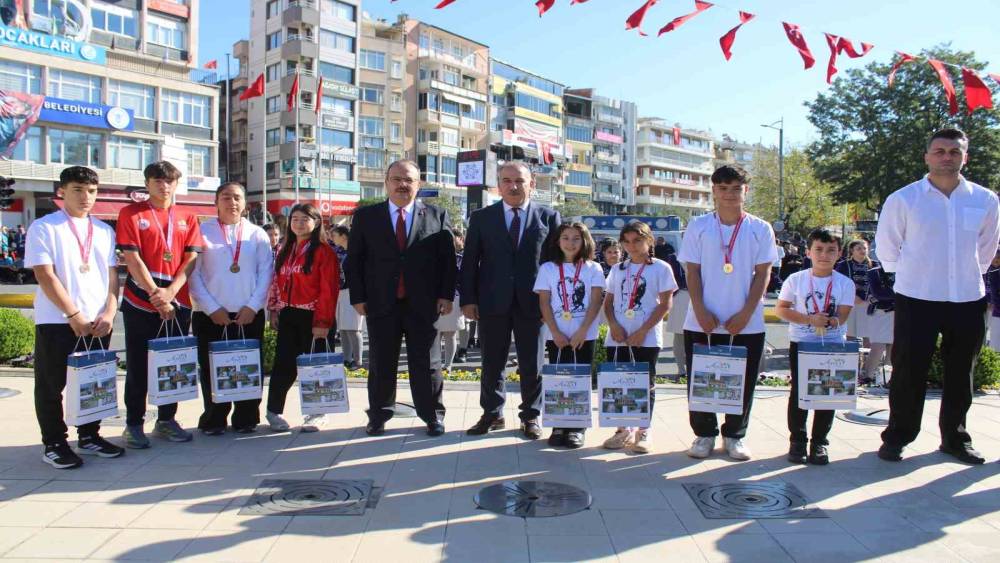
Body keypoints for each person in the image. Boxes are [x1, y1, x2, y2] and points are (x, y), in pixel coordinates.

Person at [874, 128, 999, 465]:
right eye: (940, 151)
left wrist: (969, 274)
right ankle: (897, 436)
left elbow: (986, 251)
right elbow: (887, 249)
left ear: (965, 157)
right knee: (908, 370)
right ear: (927, 156)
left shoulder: (985, 199)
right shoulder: (904, 199)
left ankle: (955, 438)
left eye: (954, 151)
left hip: (967, 298)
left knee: (962, 372)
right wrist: (915, 275)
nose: (947, 157)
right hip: (917, 296)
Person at [346, 160, 456, 436]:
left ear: (418, 184)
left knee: (428, 363)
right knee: (381, 361)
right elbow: (354, 261)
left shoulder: (437, 215)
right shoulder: (366, 216)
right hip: (380, 302)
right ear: (386, 182)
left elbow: (447, 261)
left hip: (424, 302)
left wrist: (445, 294)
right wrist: (357, 296)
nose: (402, 185)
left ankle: (432, 415)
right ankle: (379, 415)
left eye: (409, 180)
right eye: (396, 179)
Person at [26, 166, 123, 468]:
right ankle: (54, 442)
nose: (86, 197)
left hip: (97, 323)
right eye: (78, 190)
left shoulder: (104, 231)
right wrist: (73, 314)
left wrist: (109, 311)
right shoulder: (45, 227)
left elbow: (112, 277)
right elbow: (45, 275)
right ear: (62, 191)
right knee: (51, 385)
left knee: (93, 382)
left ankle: (90, 435)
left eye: (92, 191)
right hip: (58, 320)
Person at [679, 164, 777, 461]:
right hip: (703, 319)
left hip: (746, 321)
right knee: (702, 377)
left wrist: (747, 313)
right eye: (723, 188)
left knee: (744, 380)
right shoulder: (698, 226)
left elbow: (763, 274)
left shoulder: (760, 228)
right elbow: (691, 271)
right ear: (713, 191)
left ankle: (734, 435)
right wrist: (700, 309)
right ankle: (703, 434)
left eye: (736, 188)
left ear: (746, 190)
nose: (730, 194)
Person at [462, 162, 561, 439]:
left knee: (533, 362)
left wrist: (553, 303)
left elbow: (556, 264)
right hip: (492, 301)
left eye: (519, 181)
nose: (513, 186)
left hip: (535, 303)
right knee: (492, 361)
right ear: (498, 185)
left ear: (532, 184)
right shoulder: (482, 218)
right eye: (506, 180)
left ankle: (531, 415)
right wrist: (468, 299)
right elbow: (470, 261)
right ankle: (492, 413)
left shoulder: (549, 217)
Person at [116, 161, 203, 448]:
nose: (164, 186)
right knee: (139, 365)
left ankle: (166, 420)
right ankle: (133, 424)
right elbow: (132, 257)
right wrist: (156, 294)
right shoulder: (130, 213)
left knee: (172, 364)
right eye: (157, 181)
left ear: (176, 184)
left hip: (177, 301)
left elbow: (191, 258)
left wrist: (172, 291)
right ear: (147, 183)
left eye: (169, 181)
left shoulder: (188, 216)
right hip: (140, 301)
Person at [189, 182, 273, 435]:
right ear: (216, 202)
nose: (232, 202)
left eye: (237, 197)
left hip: (248, 315)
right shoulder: (201, 231)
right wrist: (212, 308)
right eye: (226, 197)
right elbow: (192, 274)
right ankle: (214, 419)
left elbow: (266, 272)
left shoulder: (257, 234)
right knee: (211, 368)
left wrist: (253, 306)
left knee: (249, 367)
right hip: (211, 316)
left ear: (245, 203)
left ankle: (246, 418)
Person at [775, 229, 854, 465]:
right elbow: (781, 309)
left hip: (831, 345)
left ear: (839, 254)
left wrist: (830, 321)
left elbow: (844, 314)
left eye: (831, 250)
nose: (824, 255)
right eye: (818, 249)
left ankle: (819, 442)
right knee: (800, 393)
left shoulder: (845, 283)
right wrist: (809, 320)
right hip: (803, 343)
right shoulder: (796, 279)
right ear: (808, 252)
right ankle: (797, 440)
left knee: (826, 393)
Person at [602, 221, 677, 454]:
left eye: (638, 240)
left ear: (649, 241)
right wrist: (613, 325)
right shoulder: (618, 269)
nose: (632, 246)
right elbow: (608, 302)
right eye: (627, 241)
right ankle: (622, 429)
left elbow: (665, 304)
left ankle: (643, 430)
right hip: (619, 335)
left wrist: (643, 330)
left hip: (646, 336)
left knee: (645, 384)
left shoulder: (661, 268)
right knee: (618, 382)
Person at [266, 204, 338, 432]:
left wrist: (323, 322)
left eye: (304, 219)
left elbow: (329, 290)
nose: (298, 223)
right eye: (294, 218)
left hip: (314, 317)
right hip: (288, 314)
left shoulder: (324, 252)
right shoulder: (284, 249)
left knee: (315, 367)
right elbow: (276, 282)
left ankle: (318, 413)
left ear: (316, 222)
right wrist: (274, 309)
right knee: (283, 364)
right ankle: (273, 411)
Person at [533, 222, 605, 449]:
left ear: (585, 241)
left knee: (580, 379)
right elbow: (544, 302)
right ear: (557, 241)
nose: (571, 243)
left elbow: (595, 301)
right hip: (557, 334)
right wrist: (555, 332)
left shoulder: (593, 268)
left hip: (585, 334)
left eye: (576, 238)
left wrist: (583, 330)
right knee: (558, 379)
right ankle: (558, 425)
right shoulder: (547, 268)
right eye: (566, 237)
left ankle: (577, 427)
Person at [836, 239, 888, 384]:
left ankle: (867, 371)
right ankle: (851, 369)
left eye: (864, 248)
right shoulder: (843, 265)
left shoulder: (875, 265)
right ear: (851, 250)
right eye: (858, 248)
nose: (862, 251)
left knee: (869, 338)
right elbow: (839, 283)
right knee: (851, 336)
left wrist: (873, 297)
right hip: (850, 304)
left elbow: (883, 284)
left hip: (870, 306)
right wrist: (852, 297)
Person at [329, 225, 363, 370]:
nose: (332, 238)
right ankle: (346, 358)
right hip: (342, 292)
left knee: (354, 328)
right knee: (343, 328)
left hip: (353, 292)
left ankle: (358, 361)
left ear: (344, 236)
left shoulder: (356, 251)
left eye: (335, 235)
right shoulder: (344, 251)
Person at [433, 231, 465, 373]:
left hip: (454, 297)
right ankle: (436, 363)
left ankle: (448, 365)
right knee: (436, 333)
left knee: (450, 334)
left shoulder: (460, 258)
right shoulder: (435, 257)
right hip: (434, 297)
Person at [663, 246, 689, 380]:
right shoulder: (674, 257)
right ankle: (681, 369)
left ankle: (694, 368)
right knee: (679, 336)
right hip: (682, 296)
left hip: (702, 297)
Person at [987, 251, 1000, 353]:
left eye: (998, 258)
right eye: (994, 258)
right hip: (993, 310)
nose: (995, 260)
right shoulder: (990, 271)